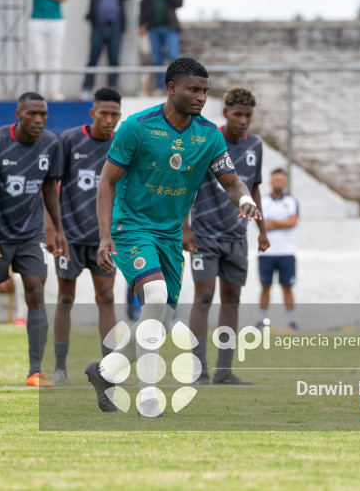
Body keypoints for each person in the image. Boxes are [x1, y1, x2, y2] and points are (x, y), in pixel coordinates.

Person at [84, 57, 262, 418]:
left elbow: (231, 180)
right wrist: (105, 237)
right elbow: (107, 182)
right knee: (156, 295)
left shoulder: (208, 135)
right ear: (172, 88)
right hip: (132, 227)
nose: (200, 97)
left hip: (169, 237)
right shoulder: (137, 127)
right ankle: (149, 398)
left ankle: (105, 372)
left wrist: (245, 200)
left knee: (161, 320)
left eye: (204, 91)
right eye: (193, 90)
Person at [0, 92, 67, 388]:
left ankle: (36, 372)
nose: (39, 120)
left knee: (35, 291)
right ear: (18, 114)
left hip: (30, 235)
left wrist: (57, 228)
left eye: (43, 114)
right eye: (32, 114)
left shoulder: (51, 143)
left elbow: (49, 188)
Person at [182, 87, 269, 385]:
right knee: (203, 297)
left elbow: (254, 188)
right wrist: (185, 227)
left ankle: (223, 371)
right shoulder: (207, 140)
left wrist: (262, 230)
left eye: (248, 115)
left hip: (236, 236)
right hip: (204, 235)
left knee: (232, 299)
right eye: (238, 114)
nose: (243, 120)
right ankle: (197, 371)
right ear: (226, 113)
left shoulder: (255, 146)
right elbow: (188, 186)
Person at [47, 87, 122, 385]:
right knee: (65, 297)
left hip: (105, 239)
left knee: (106, 297)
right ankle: (60, 368)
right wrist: (52, 228)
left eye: (115, 114)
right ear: (92, 113)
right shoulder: (69, 140)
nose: (109, 119)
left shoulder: (121, 145)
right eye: (104, 113)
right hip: (71, 237)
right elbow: (50, 187)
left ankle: (110, 371)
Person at [80, 0, 133, 99]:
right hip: (98, 27)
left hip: (115, 28)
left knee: (114, 58)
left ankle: (113, 87)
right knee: (93, 58)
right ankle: (87, 88)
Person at [257, 168, 299, 330]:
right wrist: (282, 222)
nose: (278, 183)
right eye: (276, 180)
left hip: (287, 252)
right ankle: (261, 321)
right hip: (267, 252)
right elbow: (263, 224)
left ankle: (291, 321)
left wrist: (273, 222)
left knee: (287, 287)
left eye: (281, 181)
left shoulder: (292, 202)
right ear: (270, 182)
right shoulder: (262, 202)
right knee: (265, 286)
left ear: (286, 183)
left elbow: (293, 222)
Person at [26, 0, 69, 101]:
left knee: (55, 56)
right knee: (39, 56)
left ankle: (54, 89)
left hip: (56, 19)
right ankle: (40, 90)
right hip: (37, 19)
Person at [139, 0, 183, 93]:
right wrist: (142, 24)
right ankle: (159, 86)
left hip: (170, 28)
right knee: (157, 58)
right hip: (153, 28)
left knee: (173, 56)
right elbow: (144, 6)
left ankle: (176, 86)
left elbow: (179, 3)